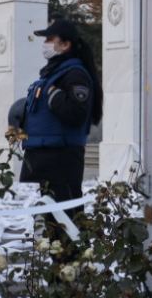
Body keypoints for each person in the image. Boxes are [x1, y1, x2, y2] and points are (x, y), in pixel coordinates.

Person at [16, 19, 102, 203]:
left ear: (65, 44)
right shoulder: (53, 73)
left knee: (66, 214)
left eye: (50, 39)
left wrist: (53, 95)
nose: (45, 43)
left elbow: (76, 113)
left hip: (62, 157)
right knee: (50, 213)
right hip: (46, 154)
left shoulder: (75, 74)